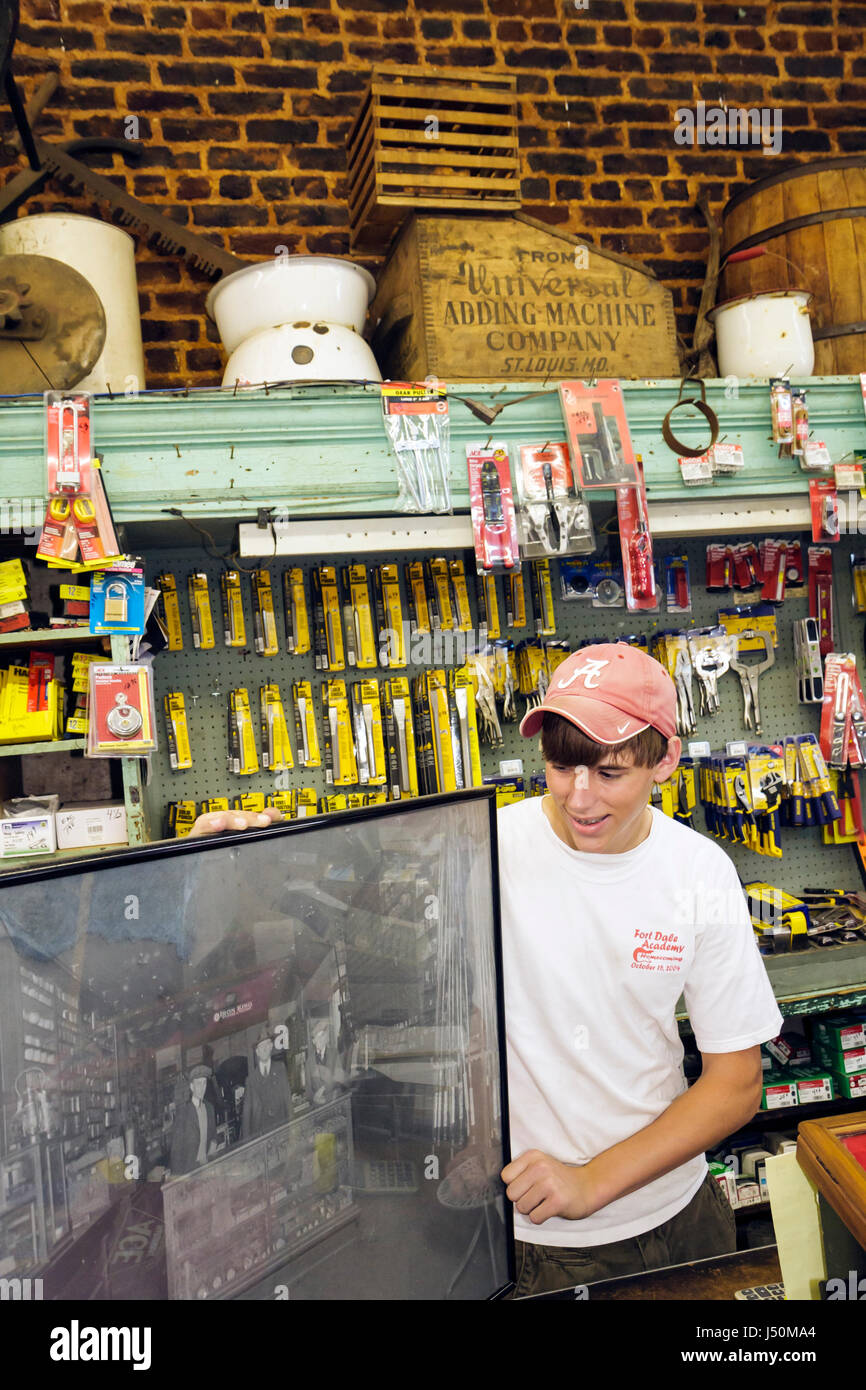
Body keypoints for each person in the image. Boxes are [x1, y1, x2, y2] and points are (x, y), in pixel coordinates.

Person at [189, 642, 783, 1298]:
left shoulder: (699, 873)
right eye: (561, 768)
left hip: (681, 1221)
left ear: (664, 759)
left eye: (608, 773)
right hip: (538, 1237)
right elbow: (352, 881)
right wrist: (248, 847)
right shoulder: (487, 844)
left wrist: (593, 1180)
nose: (579, 798)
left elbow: (734, 1084)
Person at [241, 1027, 293, 1141]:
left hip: (281, 1130)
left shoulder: (280, 1068)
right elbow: (246, 1115)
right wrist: (247, 1144)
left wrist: (291, 1131)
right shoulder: (251, 1080)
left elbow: (288, 1101)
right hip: (261, 1135)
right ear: (257, 1052)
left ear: (271, 1047)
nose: (264, 1049)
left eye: (267, 1045)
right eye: (261, 1046)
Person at [169, 1063, 217, 1176]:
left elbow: (214, 1135)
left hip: (206, 1168)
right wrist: (178, 1180)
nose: (202, 1088)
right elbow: (176, 1151)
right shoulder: (183, 1113)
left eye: (204, 1083)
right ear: (192, 1086)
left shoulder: (209, 1108)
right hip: (189, 1172)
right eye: (198, 1083)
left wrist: (213, 1146)